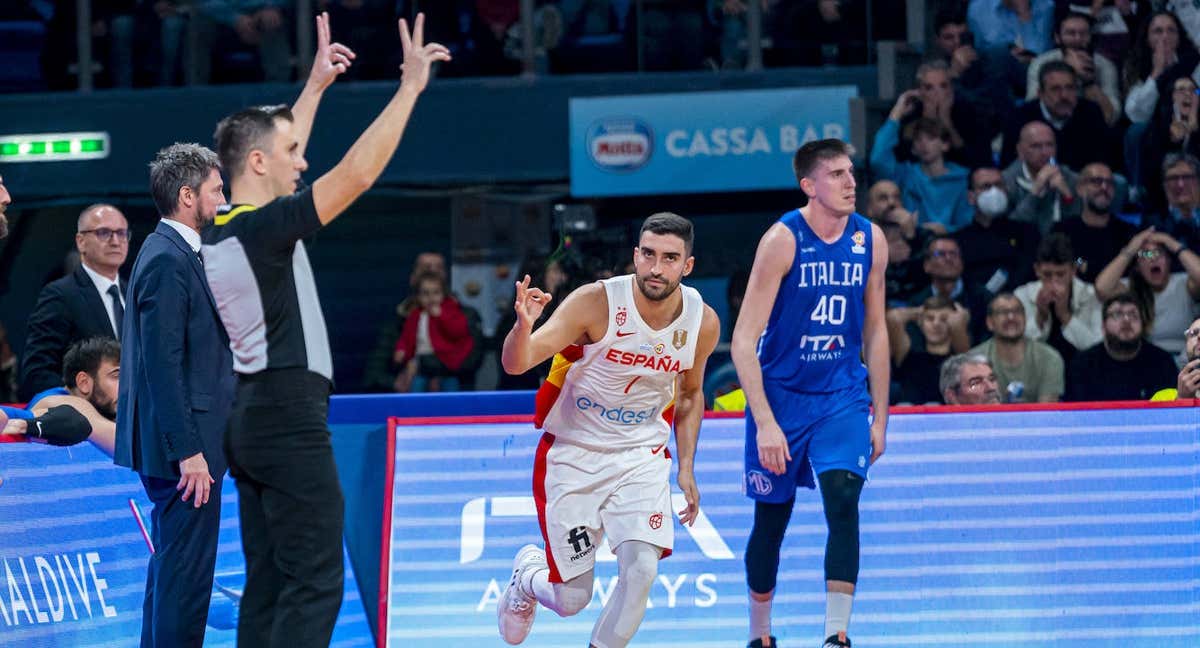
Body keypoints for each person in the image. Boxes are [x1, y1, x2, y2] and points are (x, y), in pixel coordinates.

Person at [202, 14, 447, 646]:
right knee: (314, 581)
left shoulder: (227, 225)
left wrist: (312, 90)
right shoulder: (265, 230)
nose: (302, 162)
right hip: (286, 413)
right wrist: (409, 90)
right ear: (257, 161)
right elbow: (357, 175)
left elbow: (275, 155)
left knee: (269, 585)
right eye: (290, 155)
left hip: (249, 417)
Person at [495, 213, 719, 647]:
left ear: (687, 266)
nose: (657, 268)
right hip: (575, 453)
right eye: (649, 255)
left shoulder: (701, 321)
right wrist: (524, 326)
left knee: (642, 570)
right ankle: (527, 577)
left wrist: (686, 467)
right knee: (571, 598)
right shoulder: (596, 302)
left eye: (670, 258)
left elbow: (690, 395)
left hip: (641, 456)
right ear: (636, 255)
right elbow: (516, 363)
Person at [731, 139, 889, 648]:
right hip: (780, 398)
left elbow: (877, 332)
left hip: (841, 395)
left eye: (852, 174)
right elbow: (741, 341)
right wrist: (766, 421)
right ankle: (760, 635)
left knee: (843, 500)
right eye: (837, 175)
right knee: (770, 521)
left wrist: (881, 417)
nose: (850, 183)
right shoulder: (781, 239)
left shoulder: (871, 239)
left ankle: (835, 635)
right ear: (809, 186)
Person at [114, 142, 235, 648]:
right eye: (216, 189)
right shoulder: (167, 258)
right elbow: (161, 366)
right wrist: (189, 450)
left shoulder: (173, 252)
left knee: (172, 577)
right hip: (184, 454)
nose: (224, 199)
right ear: (188, 196)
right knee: (185, 586)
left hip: (188, 448)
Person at [19, 204, 129, 400]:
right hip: (87, 419)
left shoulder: (135, 295)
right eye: (104, 233)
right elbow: (37, 372)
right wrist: (81, 401)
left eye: (122, 233)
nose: (115, 241)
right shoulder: (60, 295)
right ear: (81, 242)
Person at [870, 93, 972, 232]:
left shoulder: (962, 179)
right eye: (918, 139)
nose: (923, 144)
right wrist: (897, 112)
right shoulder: (905, 174)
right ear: (913, 149)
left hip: (951, 243)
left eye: (931, 138)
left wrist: (945, 230)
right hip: (911, 243)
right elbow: (878, 159)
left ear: (945, 144)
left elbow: (967, 223)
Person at [1094, 228, 1200, 358]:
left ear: (1169, 260)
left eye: (1159, 253)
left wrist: (1171, 242)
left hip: (1186, 360)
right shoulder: (1131, 287)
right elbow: (1101, 288)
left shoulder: (1183, 283)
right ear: (1138, 266)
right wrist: (1132, 248)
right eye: (1146, 254)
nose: (1153, 259)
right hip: (1146, 361)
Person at [1001, 61, 1117, 172]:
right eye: (1055, 89)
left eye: (1070, 88)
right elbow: (1009, 166)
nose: (1064, 96)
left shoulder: (1091, 112)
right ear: (1040, 93)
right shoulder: (1020, 117)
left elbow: (1104, 161)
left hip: (1082, 183)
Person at [1065, 294, 1179, 401]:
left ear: (1143, 324)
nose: (1126, 320)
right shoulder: (1082, 365)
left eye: (1133, 315)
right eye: (1117, 314)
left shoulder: (1162, 362)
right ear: (1103, 326)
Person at [1013, 233, 1103, 366]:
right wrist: (1040, 317)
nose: (1054, 282)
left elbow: (1097, 348)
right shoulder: (1022, 294)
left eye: (1060, 274)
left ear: (1073, 270)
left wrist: (1065, 316)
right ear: (1037, 270)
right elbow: (1015, 347)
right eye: (1047, 274)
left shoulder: (1091, 295)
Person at [23, 336, 121, 457]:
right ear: (83, 382)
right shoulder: (57, 402)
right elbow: (126, 443)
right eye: (117, 376)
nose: (127, 386)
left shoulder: (103, 408)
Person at [954, 166, 1041, 295]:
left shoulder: (1028, 233)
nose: (994, 191)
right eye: (986, 186)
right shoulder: (958, 241)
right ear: (971, 197)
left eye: (999, 185)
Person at [1025, 12, 1121, 125]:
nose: (1078, 38)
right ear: (1057, 37)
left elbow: (1110, 117)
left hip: (1089, 127)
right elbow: (1031, 109)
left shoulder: (1105, 65)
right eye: (1071, 33)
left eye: (1084, 33)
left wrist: (1088, 82)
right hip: (1049, 126)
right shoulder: (1041, 62)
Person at [969, 292, 1065, 402]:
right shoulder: (973, 361)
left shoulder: (1049, 358)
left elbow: (1047, 412)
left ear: (1025, 318)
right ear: (990, 322)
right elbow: (978, 410)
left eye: (1017, 311)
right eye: (1003, 312)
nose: (1011, 317)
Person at [1049, 162, 1135, 282]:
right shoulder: (1062, 231)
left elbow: (1146, 255)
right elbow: (1072, 259)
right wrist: (1080, 263)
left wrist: (1146, 253)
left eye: (1109, 183)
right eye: (1096, 181)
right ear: (1080, 189)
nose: (1104, 187)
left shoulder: (1128, 231)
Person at [392, 270, 475, 392]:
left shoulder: (451, 311)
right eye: (425, 293)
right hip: (422, 365)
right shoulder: (415, 316)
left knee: (451, 390)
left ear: (443, 294)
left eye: (436, 293)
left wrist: (441, 316)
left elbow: (459, 332)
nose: (431, 298)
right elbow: (406, 337)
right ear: (418, 296)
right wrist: (401, 350)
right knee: (416, 388)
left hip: (446, 363)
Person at [887, 295, 968, 405]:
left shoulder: (958, 356)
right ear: (920, 322)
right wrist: (919, 311)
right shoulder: (907, 355)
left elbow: (959, 329)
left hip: (945, 418)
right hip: (909, 417)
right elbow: (893, 317)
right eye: (930, 318)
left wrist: (958, 320)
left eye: (944, 319)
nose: (936, 324)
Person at [1003, 120, 1080, 235]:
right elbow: (1010, 229)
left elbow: (1080, 228)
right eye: (1036, 146)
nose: (1045, 152)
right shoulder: (1006, 181)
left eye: (1049, 145)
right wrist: (1035, 192)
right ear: (1020, 151)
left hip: (1064, 246)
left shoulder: (1070, 178)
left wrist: (1068, 197)